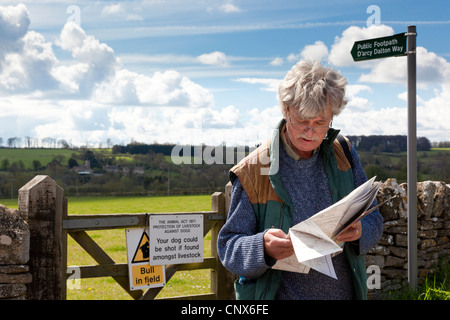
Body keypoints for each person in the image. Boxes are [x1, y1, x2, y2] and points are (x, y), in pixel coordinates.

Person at [217, 60, 383, 300]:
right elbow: (229, 247)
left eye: (320, 123)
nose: (310, 132)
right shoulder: (253, 170)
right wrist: (261, 247)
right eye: (302, 120)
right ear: (285, 110)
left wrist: (360, 232)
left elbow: (374, 220)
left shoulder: (344, 152)